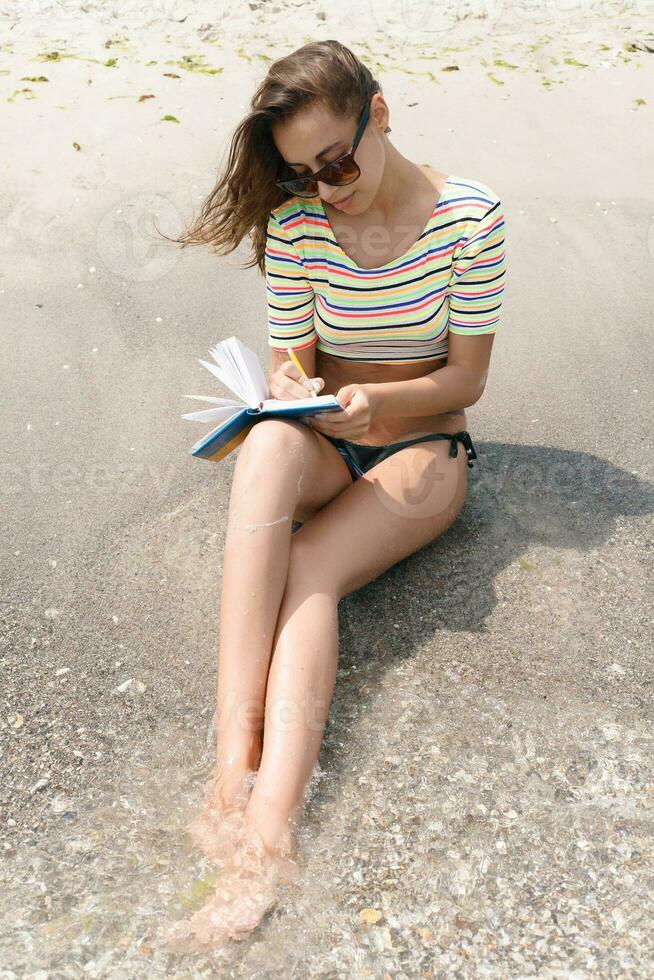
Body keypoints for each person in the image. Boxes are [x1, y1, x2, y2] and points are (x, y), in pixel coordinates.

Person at [164, 38, 506, 950]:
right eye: (306, 174)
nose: (331, 186)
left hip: (423, 451)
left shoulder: (470, 218)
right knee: (268, 445)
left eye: (340, 161)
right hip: (326, 436)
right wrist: (288, 388)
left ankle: (267, 839)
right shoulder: (298, 224)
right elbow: (293, 354)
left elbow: (466, 380)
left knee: (309, 567)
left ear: (380, 113)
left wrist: (380, 402)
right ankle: (231, 755)